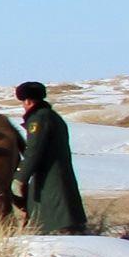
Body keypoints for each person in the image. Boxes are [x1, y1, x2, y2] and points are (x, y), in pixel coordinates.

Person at [11, 81, 87, 236]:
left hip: (49, 179)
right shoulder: (52, 116)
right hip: (58, 175)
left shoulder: (39, 119)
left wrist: (20, 178)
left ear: (28, 101)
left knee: (53, 223)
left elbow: (34, 150)